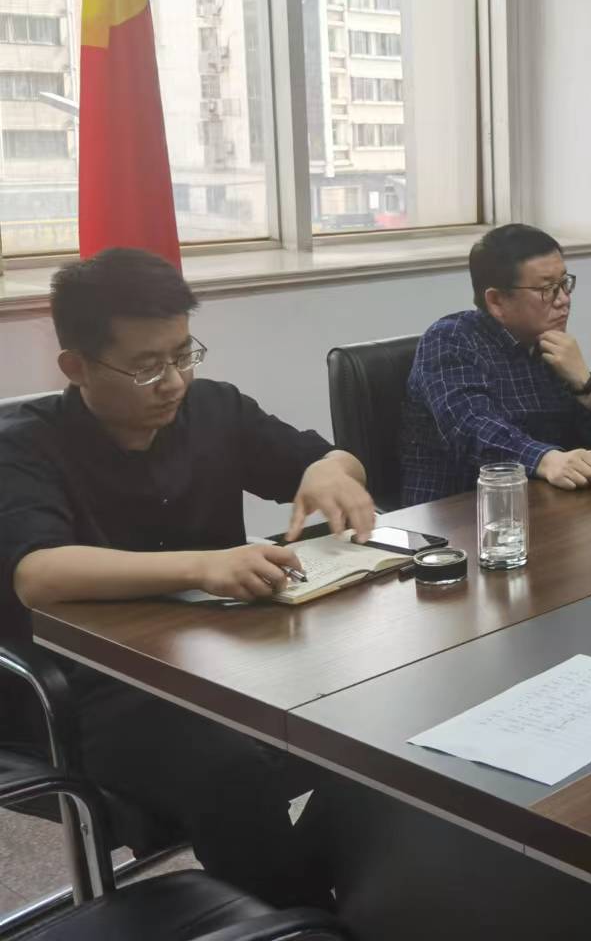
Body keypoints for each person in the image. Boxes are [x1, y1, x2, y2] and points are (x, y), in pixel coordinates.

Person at [0, 248, 376, 910]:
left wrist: (332, 470)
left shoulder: (215, 408)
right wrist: (204, 565)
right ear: (76, 367)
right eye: (147, 366)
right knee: (231, 767)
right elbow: (39, 573)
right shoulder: (23, 445)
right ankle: (303, 919)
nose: (173, 382)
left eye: (183, 354)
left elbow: (327, 458)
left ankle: (352, 897)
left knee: (374, 709)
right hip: (91, 687)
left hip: (221, 660)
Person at [399, 224, 591, 505]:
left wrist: (583, 386)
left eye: (564, 283)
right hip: (457, 515)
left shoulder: (550, 345)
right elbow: (474, 430)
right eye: (548, 289)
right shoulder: (450, 340)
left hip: (541, 506)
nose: (564, 300)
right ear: (497, 300)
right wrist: (547, 460)